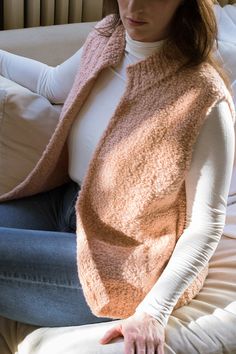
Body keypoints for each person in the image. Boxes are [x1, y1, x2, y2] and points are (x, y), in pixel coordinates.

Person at [0, 1, 235, 353]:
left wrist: (154, 312)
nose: (135, 6)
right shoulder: (109, 37)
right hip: (67, 205)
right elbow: (51, 84)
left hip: (125, 259)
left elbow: (207, 224)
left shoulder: (202, 97)